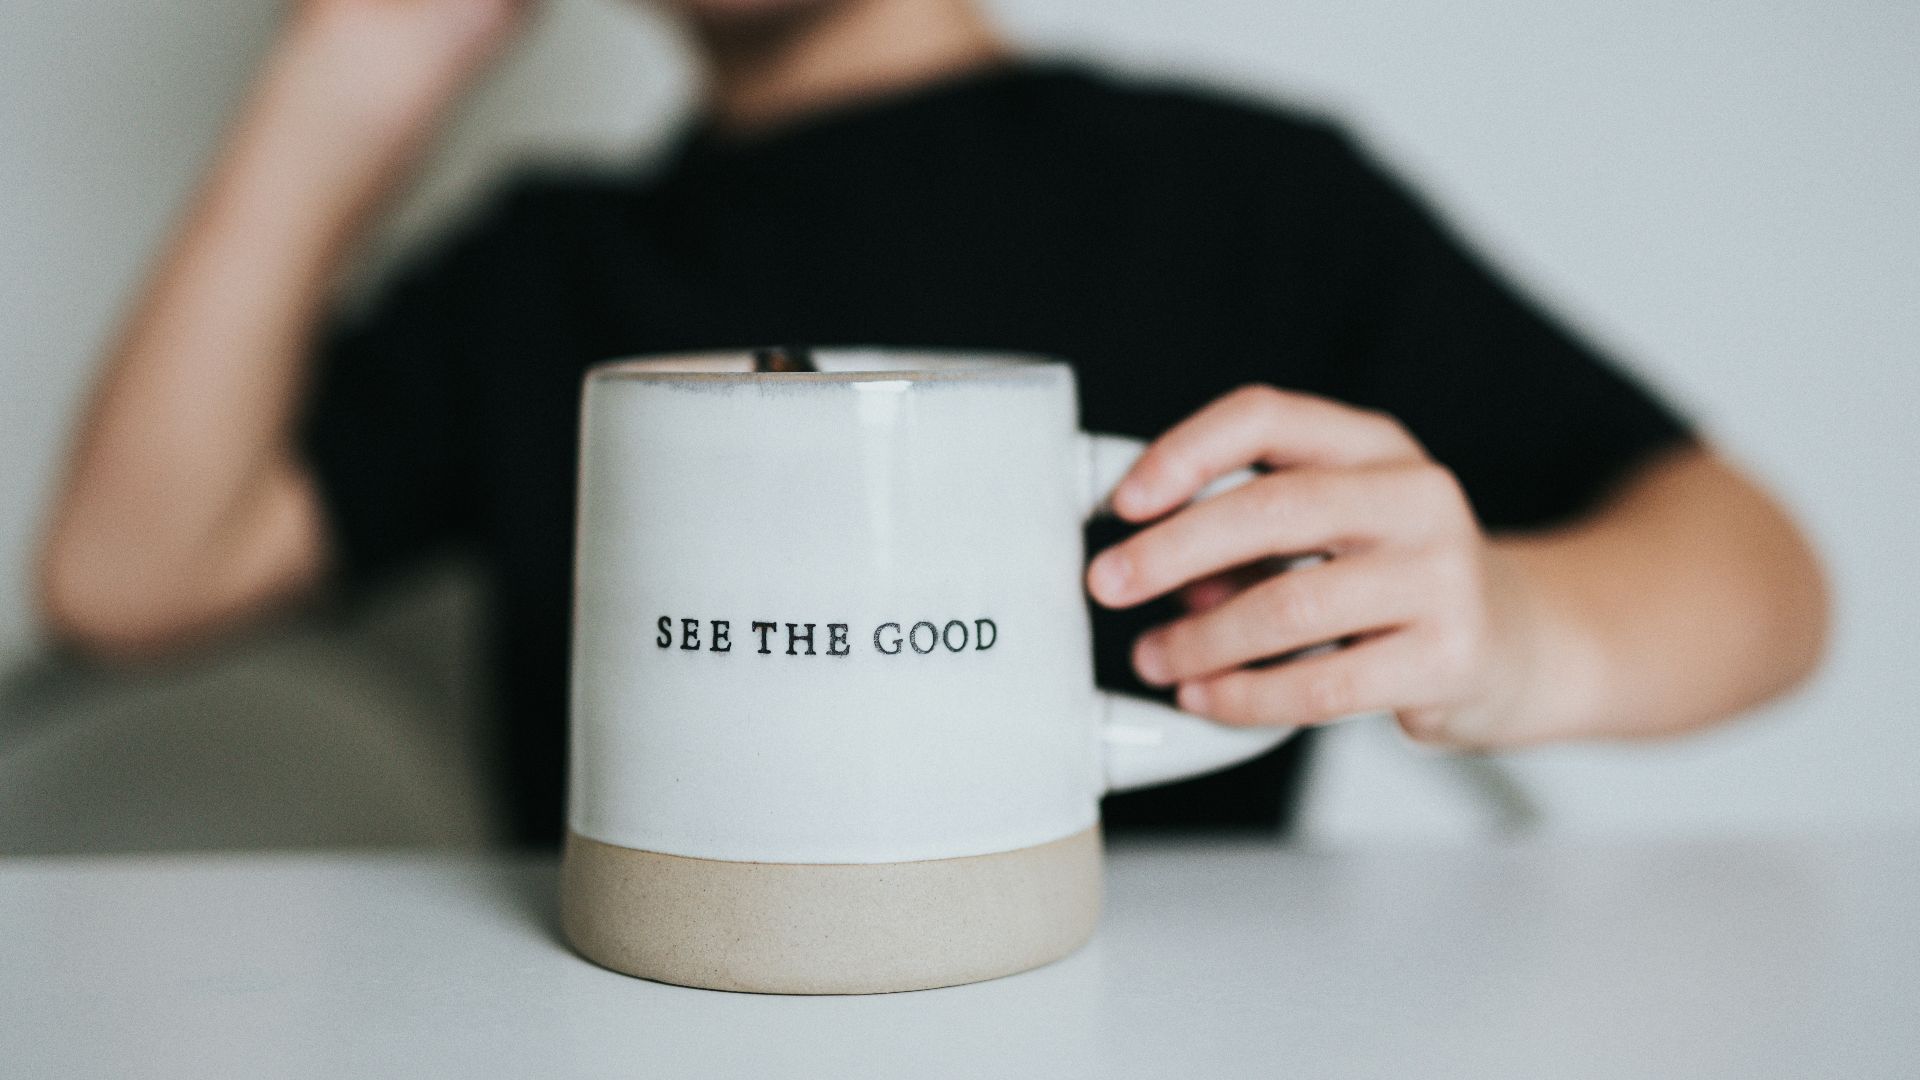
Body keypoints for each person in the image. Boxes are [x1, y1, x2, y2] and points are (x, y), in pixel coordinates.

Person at [36, 0, 1828, 847]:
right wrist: (350, 67)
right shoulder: (544, 273)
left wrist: (1511, 634)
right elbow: (131, 581)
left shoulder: (1242, 196)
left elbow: (1760, 573)